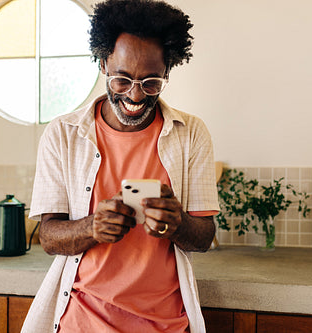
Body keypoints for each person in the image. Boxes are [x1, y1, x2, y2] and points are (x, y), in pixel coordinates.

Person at [22, 0, 219, 332]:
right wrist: (91, 227)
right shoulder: (63, 134)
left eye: (151, 82)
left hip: (166, 324)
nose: (136, 95)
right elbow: (49, 237)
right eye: (122, 80)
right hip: (81, 323)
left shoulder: (191, 134)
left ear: (168, 70)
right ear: (103, 64)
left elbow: (204, 236)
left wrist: (178, 223)